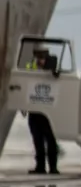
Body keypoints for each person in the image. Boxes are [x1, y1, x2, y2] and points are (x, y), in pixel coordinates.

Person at [24, 47, 59, 175]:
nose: (39, 60)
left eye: (42, 57)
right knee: (37, 139)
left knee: (50, 139)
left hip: (48, 110)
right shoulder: (31, 66)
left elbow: (55, 71)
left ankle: (53, 167)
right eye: (37, 57)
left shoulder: (52, 65)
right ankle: (40, 166)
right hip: (34, 109)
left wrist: (49, 66)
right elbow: (24, 83)